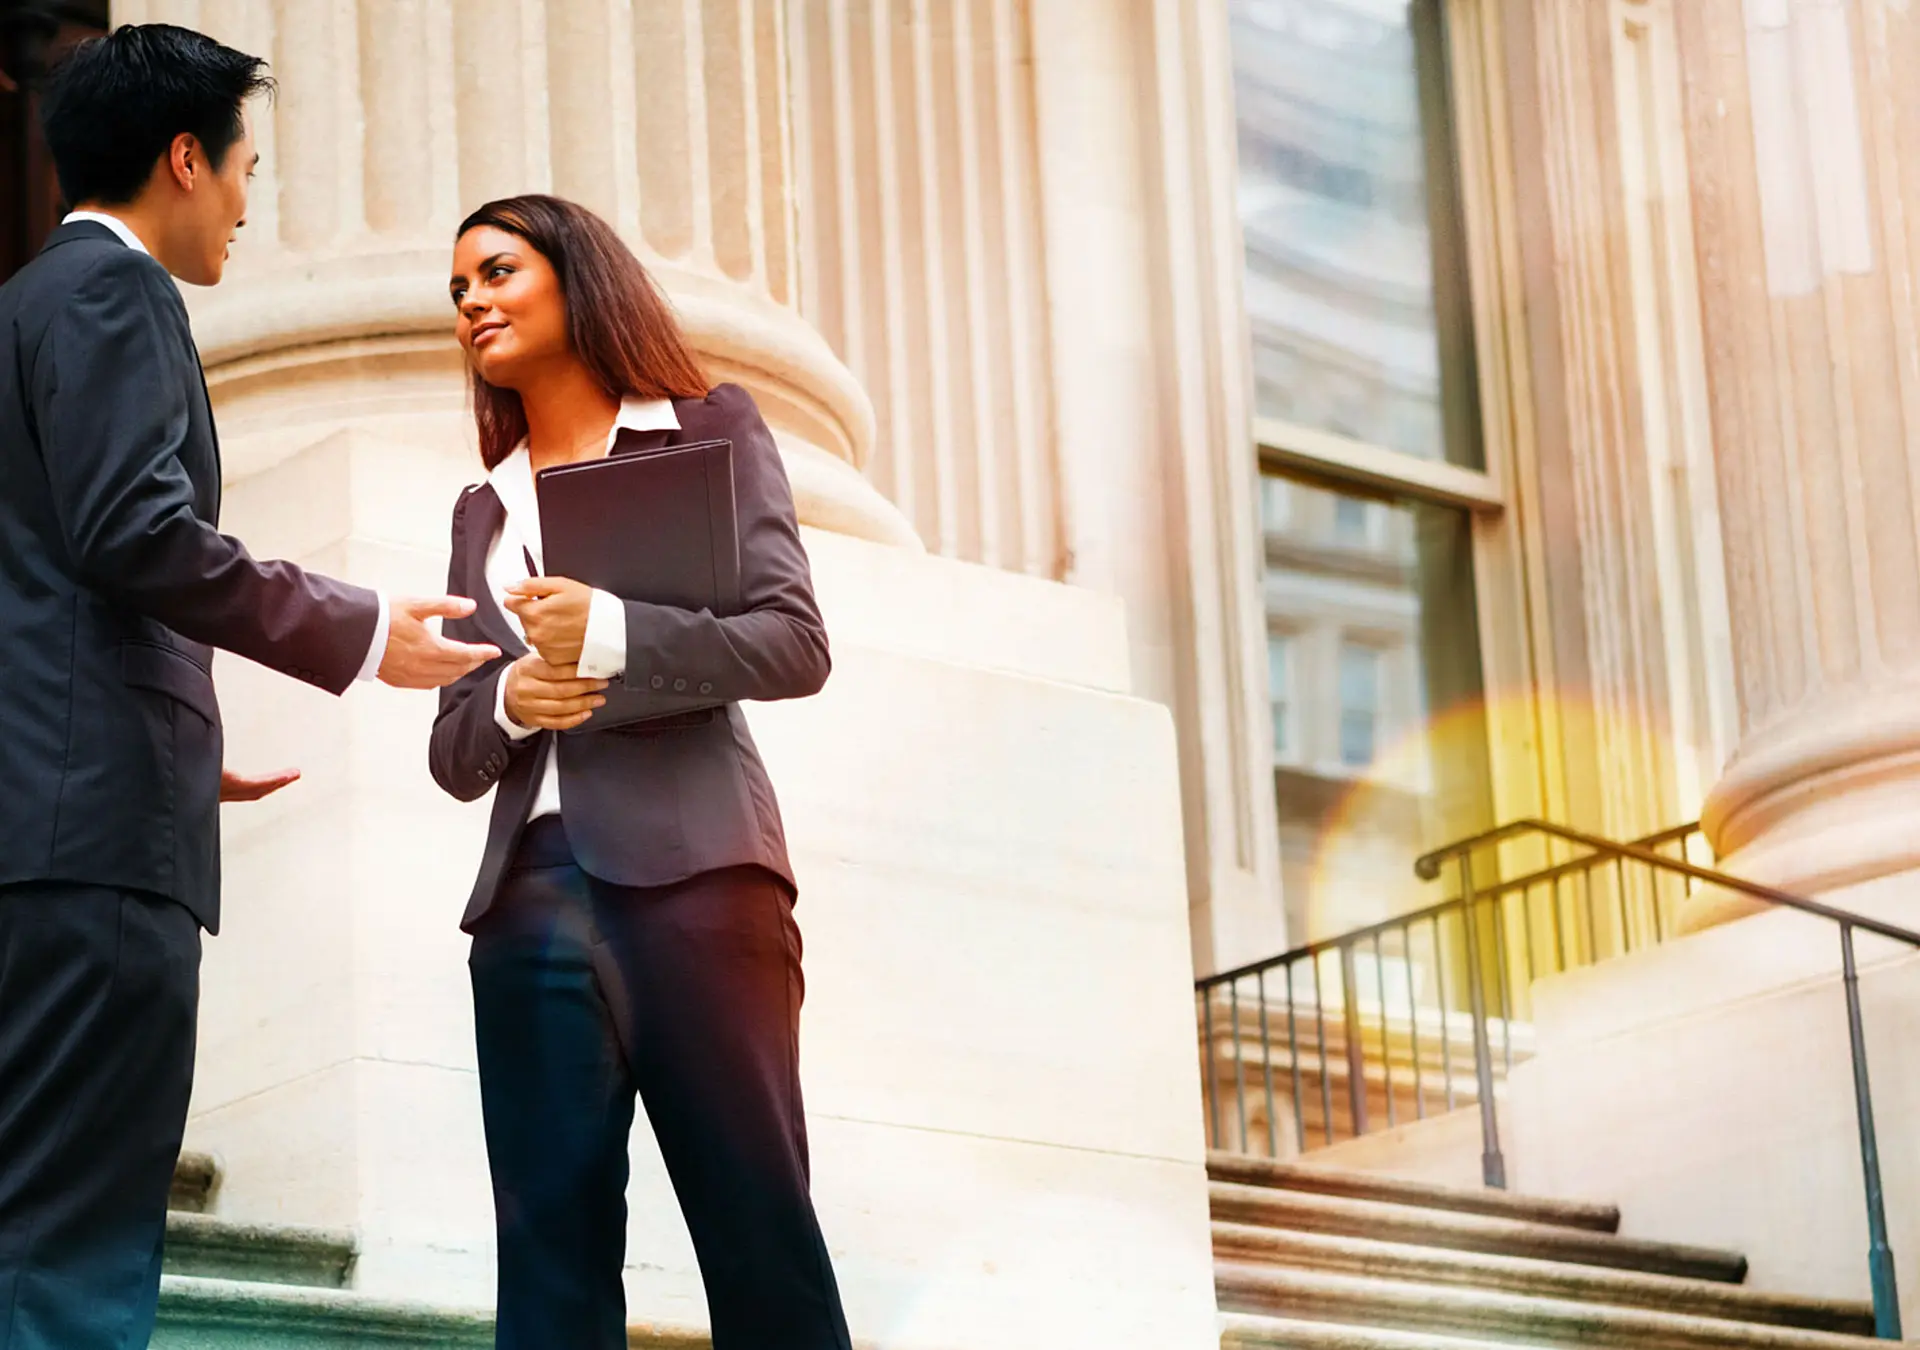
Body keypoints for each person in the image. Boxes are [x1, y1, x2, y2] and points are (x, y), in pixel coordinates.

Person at [0, 24, 499, 1350]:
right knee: (75, 1246)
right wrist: (360, 624)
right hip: (94, 852)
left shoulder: (21, 310)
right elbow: (134, 530)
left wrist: (148, 720)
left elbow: (45, 574)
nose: (242, 202)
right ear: (182, 158)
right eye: (244, 172)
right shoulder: (118, 298)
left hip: (54, 816)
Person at [429, 194, 851, 1350]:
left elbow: (793, 643)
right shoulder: (483, 505)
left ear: (578, 278)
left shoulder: (710, 426)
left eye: (498, 272)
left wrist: (610, 637)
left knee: (761, 1241)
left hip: (701, 884)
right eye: (459, 287)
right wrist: (514, 700)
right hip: (526, 910)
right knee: (549, 1277)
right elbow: (453, 743)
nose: (472, 301)